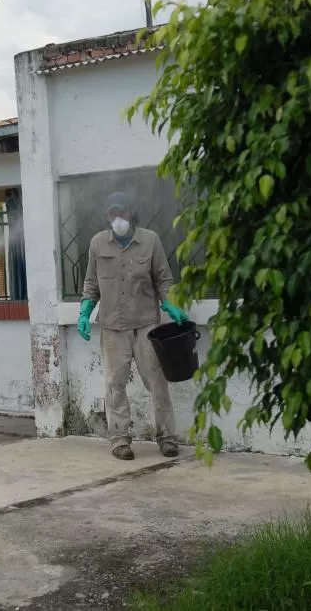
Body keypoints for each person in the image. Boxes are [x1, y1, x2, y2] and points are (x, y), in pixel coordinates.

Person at [78, 192, 190, 460]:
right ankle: (119, 440)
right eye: (112, 214)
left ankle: (167, 437)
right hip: (113, 328)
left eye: (122, 213)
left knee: (157, 382)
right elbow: (91, 284)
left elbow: (164, 279)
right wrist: (84, 312)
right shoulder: (97, 244)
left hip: (146, 326)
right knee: (115, 384)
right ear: (107, 217)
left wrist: (170, 303)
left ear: (131, 214)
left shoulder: (150, 241)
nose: (117, 219)